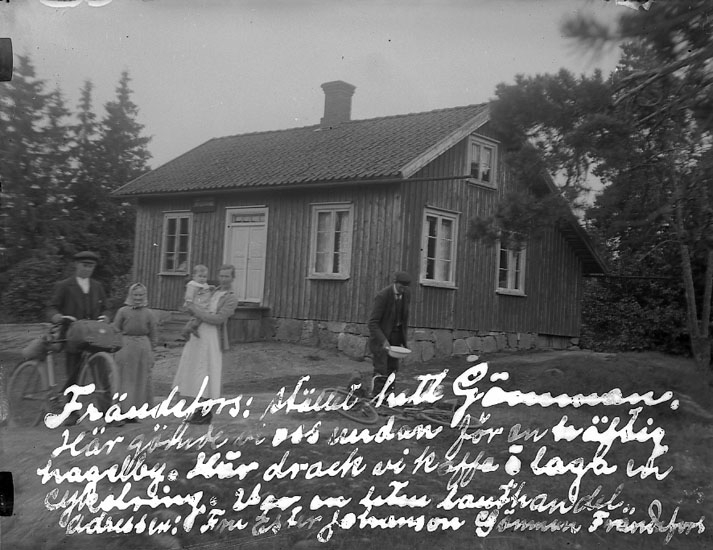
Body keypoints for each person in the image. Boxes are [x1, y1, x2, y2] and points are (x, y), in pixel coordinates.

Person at [47, 251, 110, 425]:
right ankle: (72, 413)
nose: (88, 269)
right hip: (73, 336)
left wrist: (106, 317)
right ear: (76, 265)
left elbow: (106, 308)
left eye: (91, 266)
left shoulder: (97, 286)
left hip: (95, 336)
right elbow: (51, 307)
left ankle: (108, 412)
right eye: (84, 265)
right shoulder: (64, 286)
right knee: (73, 375)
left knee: (102, 373)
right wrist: (57, 317)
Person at [172, 264, 239, 424]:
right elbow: (197, 304)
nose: (223, 279)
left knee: (208, 373)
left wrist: (195, 310)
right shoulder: (211, 290)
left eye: (227, 276)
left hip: (212, 337)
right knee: (196, 372)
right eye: (221, 276)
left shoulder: (231, 298)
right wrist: (192, 315)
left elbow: (218, 319)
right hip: (199, 334)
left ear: (232, 278)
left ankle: (206, 412)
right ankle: (197, 410)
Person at [112, 283, 157, 425]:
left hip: (143, 347)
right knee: (126, 379)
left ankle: (134, 412)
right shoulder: (122, 311)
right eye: (136, 295)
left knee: (140, 379)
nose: (138, 298)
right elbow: (115, 328)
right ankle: (121, 410)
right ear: (131, 295)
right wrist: (115, 347)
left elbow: (153, 333)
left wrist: (152, 351)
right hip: (126, 346)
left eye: (141, 295)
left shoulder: (149, 313)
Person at [367, 270, 412, 396]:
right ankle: (377, 398)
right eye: (401, 287)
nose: (403, 289)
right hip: (381, 338)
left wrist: (404, 341)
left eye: (406, 287)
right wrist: (383, 341)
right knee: (381, 369)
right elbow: (372, 323)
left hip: (396, 337)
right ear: (395, 283)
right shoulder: (383, 296)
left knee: (393, 369)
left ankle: (388, 397)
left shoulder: (406, 294)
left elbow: (403, 319)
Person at [181, 264, 213, 340]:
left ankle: (190, 329)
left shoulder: (204, 285)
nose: (202, 279)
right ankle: (189, 329)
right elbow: (189, 295)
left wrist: (210, 288)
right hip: (195, 305)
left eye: (204, 277)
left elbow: (206, 291)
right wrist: (189, 302)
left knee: (197, 318)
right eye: (200, 276)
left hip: (202, 305)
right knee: (198, 317)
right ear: (194, 276)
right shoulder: (192, 285)